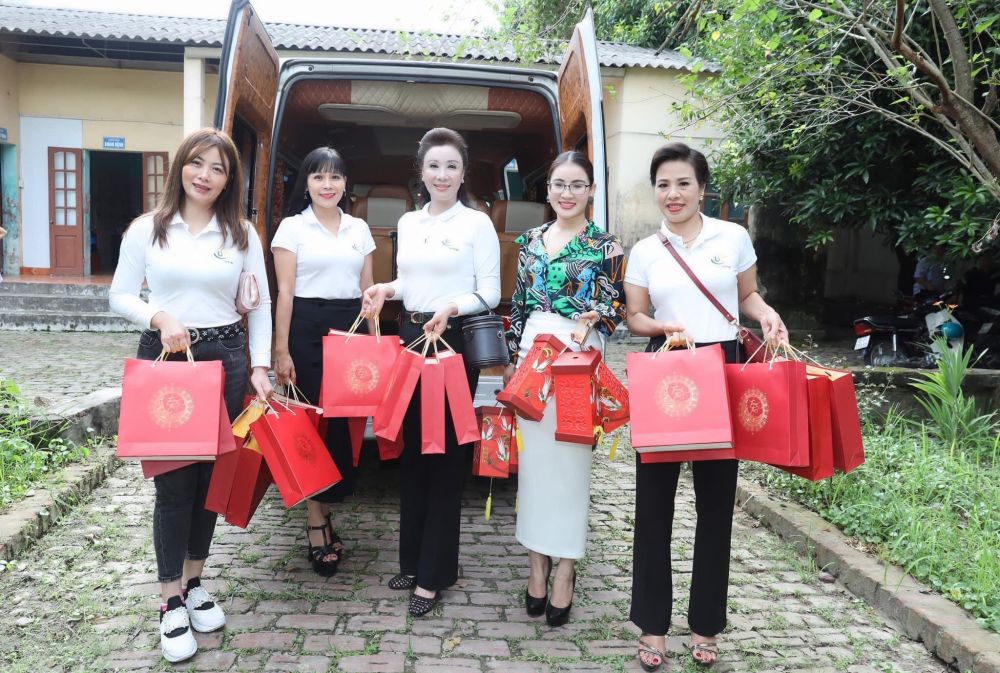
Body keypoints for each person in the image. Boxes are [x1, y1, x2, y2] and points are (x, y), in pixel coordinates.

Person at [109, 128, 273, 664]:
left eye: (218, 168)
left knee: (210, 482)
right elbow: (119, 295)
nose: (205, 175)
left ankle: (195, 581)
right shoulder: (148, 228)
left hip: (226, 357)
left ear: (230, 180)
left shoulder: (241, 234)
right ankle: (169, 599)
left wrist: (260, 366)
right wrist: (159, 316)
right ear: (180, 166)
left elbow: (260, 306)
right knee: (174, 483)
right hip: (169, 358)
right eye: (197, 163)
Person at [623, 142, 787, 671]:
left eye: (683, 183)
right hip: (667, 364)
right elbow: (634, 315)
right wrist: (662, 326)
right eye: (663, 185)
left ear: (702, 188)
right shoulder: (645, 250)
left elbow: (747, 296)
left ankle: (705, 624)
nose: (673, 194)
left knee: (716, 505)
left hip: (722, 368)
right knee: (654, 505)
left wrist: (766, 314)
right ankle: (652, 626)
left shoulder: (732, 237)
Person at [362, 127, 500, 617]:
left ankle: (434, 573)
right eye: (434, 166)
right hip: (409, 339)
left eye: (452, 166)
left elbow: (490, 291)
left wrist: (451, 307)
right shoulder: (408, 221)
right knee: (412, 455)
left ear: (463, 174)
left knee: (443, 456)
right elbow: (410, 281)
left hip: (451, 341)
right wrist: (386, 289)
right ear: (421, 172)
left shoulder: (477, 224)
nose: (442, 175)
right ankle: (413, 559)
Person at [503, 151, 627, 627]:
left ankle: (566, 569)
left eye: (577, 185)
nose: (567, 193)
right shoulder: (530, 240)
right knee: (534, 469)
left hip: (577, 354)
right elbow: (518, 305)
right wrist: (512, 360)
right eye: (559, 184)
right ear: (548, 189)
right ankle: (537, 566)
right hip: (532, 356)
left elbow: (617, 308)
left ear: (591, 190)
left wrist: (597, 315)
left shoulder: (606, 246)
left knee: (572, 465)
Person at [271, 146, 376, 577]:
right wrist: (281, 350)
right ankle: (316, 523)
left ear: (345, 183)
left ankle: (327, 511)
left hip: (349, 329)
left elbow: (368, 291)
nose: (327, 185)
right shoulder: (292, 228)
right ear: (307, 184)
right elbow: (285, 293)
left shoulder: (359, 228)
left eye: (335, 176)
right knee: (312, 429)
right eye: (318, 177)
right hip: (306, 329)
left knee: (342, 427)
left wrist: (374, 346)